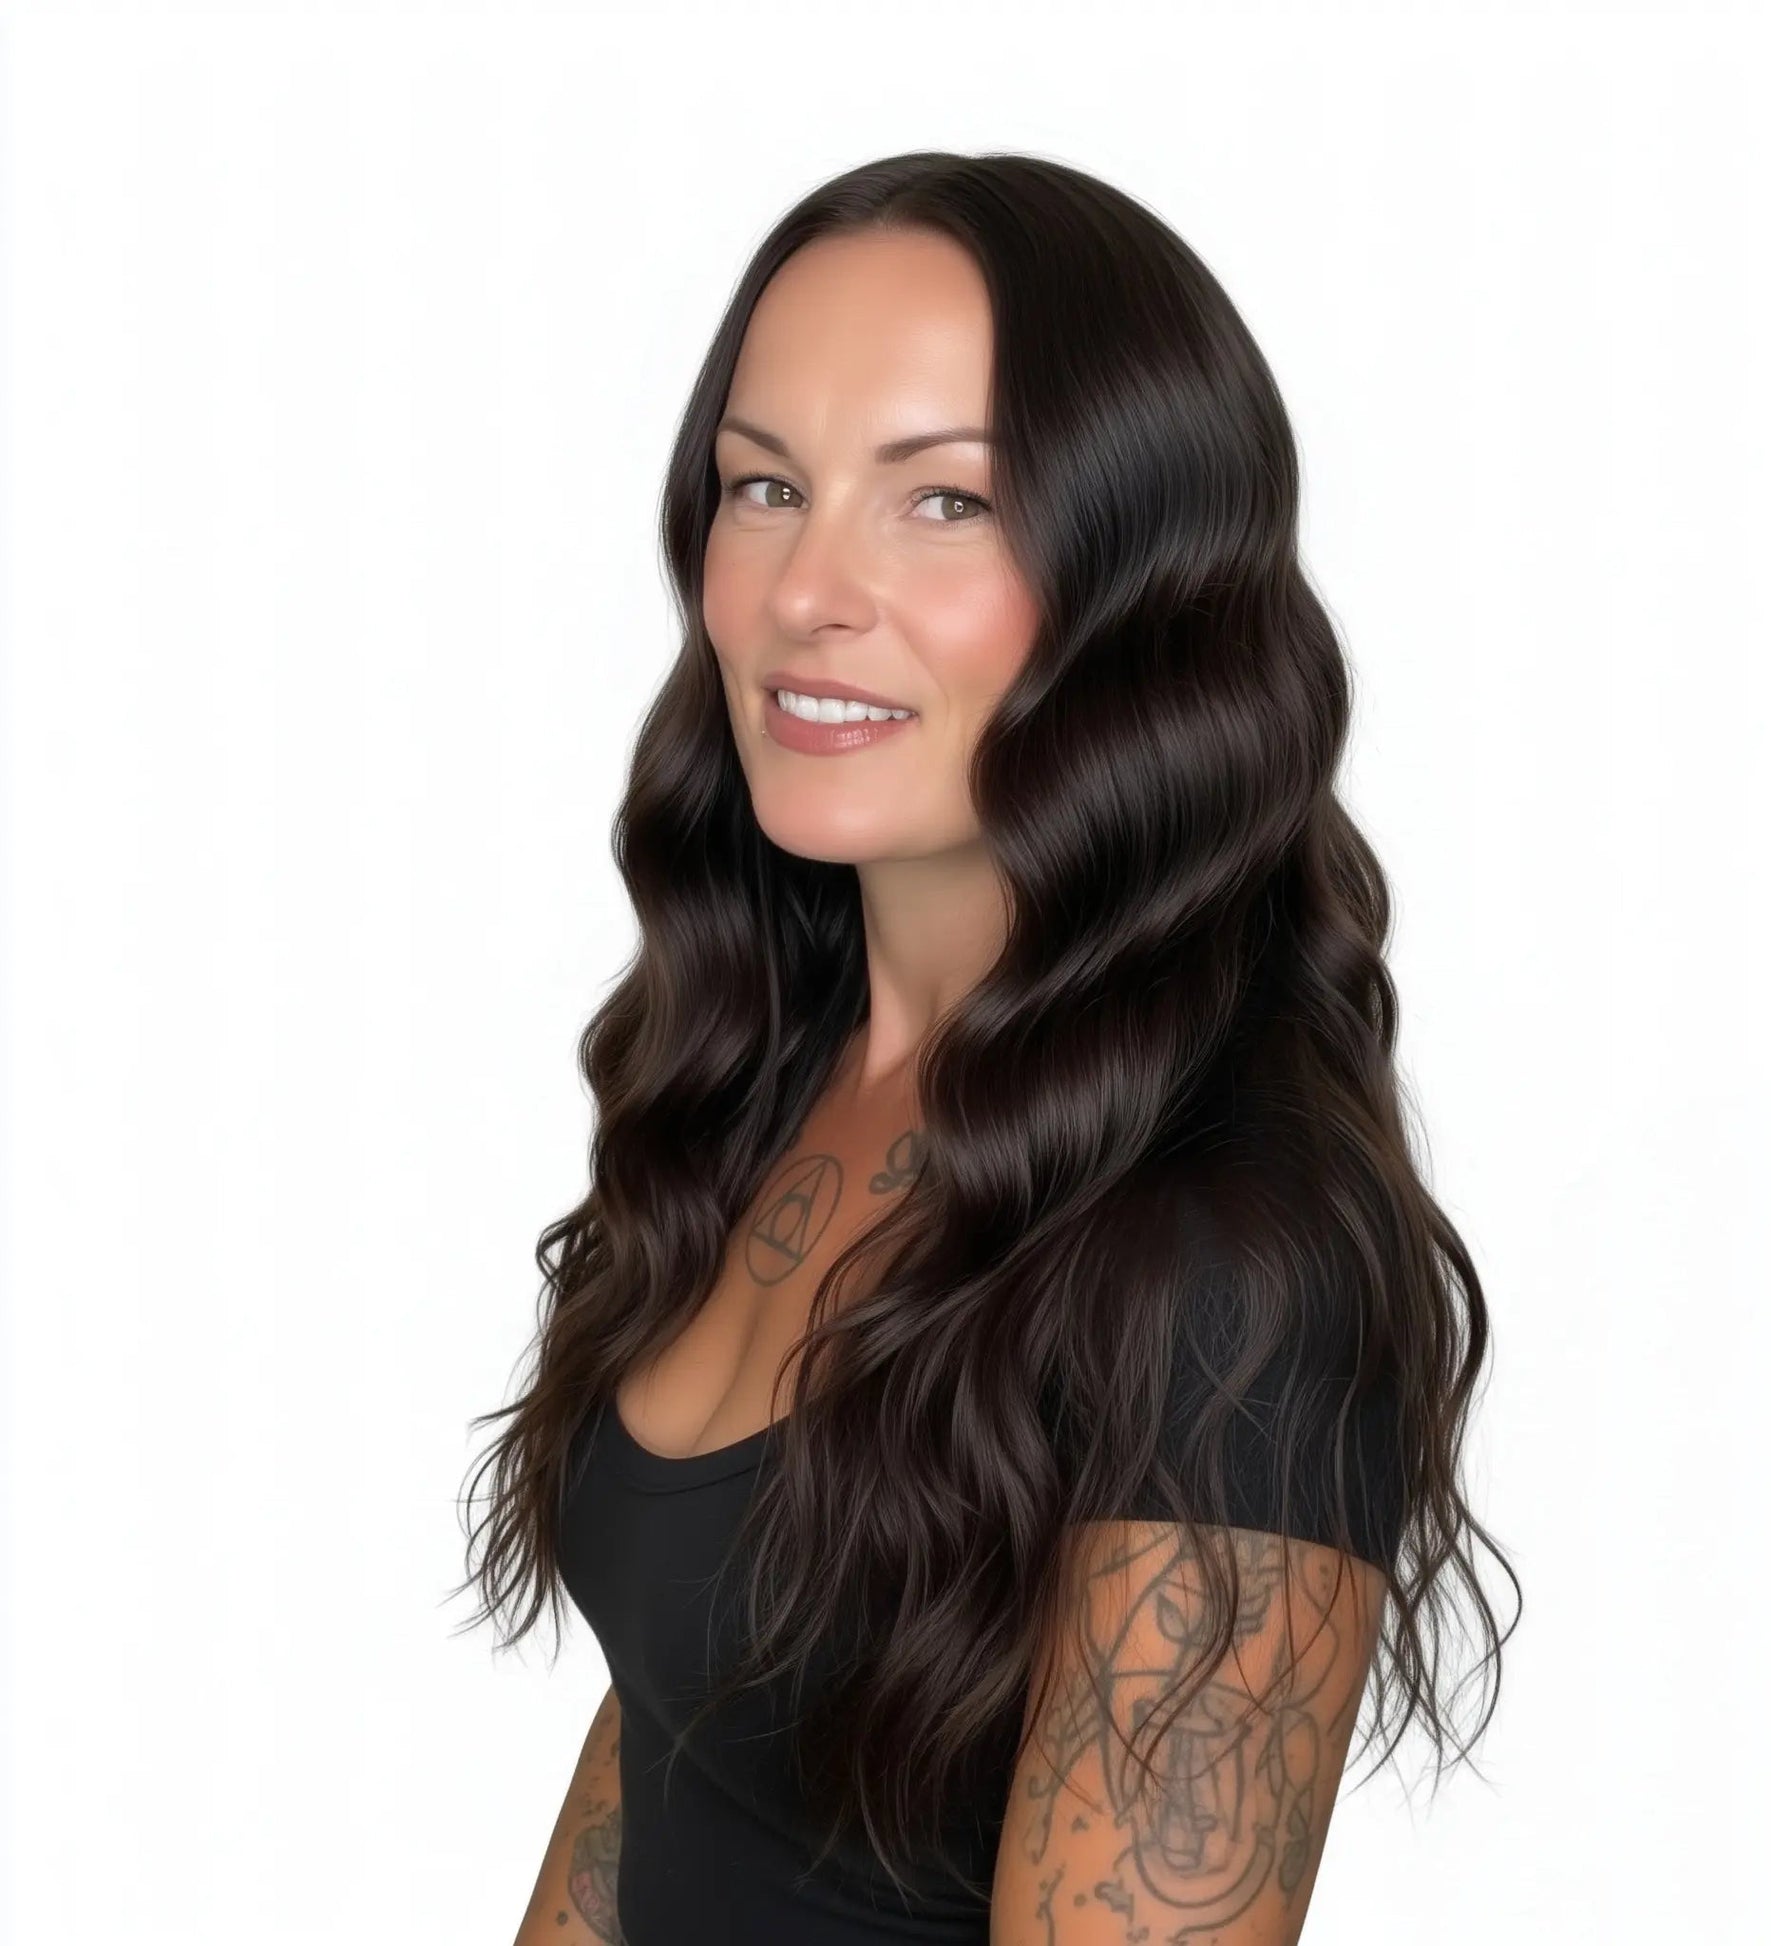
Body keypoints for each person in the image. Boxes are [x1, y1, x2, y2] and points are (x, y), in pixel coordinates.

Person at [454, 150, 1517, 1946]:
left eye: (940, 503)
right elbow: (675, 1739)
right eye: (763, 487)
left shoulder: (1228, 1261)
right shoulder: (754, 1085)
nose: (805, 593)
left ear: (1139, 578)